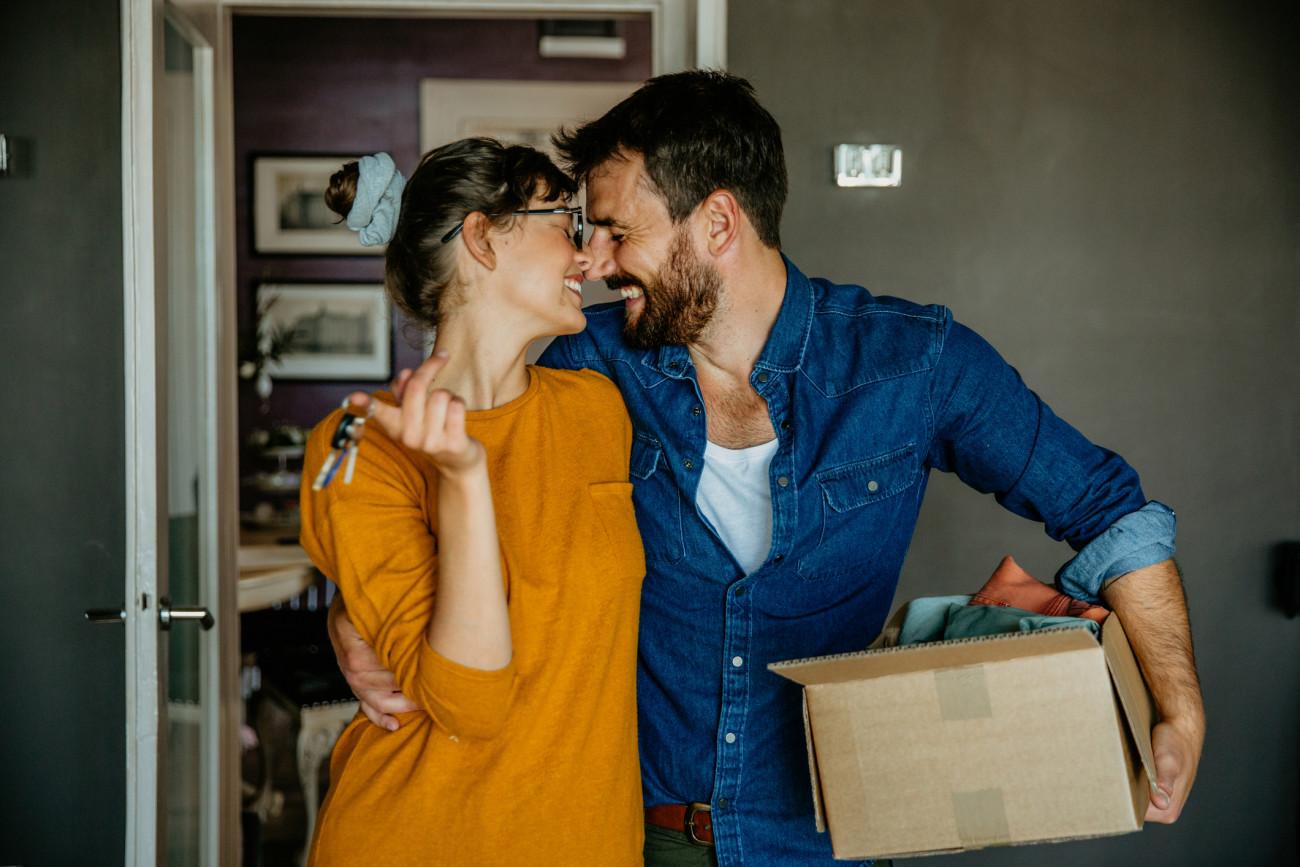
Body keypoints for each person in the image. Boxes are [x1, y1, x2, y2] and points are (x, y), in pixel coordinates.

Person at [328, 72, 1205, 867]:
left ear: (717, 222)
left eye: (618, 231)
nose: (592, 263)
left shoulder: (913, 363)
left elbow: (1110, 510)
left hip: (828, 841)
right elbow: (433, 454)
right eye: (582, 235)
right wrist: (352, 613)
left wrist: (1181, 705)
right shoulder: (586, 369)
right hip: (639, 836)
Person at [299, 140, 646, 866]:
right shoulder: (361, 444)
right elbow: (469, 702)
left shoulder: (598, 411)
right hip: (414, 839)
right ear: (483, 237)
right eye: (564, 222)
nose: (587, 256)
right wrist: (462, 477)